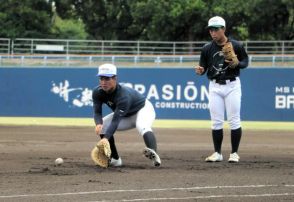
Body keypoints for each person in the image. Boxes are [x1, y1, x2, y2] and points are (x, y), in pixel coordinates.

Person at [195, 16, 249, 163]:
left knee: (234, 120)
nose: (213, 32)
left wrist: (238, 63)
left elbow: (245, 62)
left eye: (216, 29)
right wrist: (200, 70)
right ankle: (217, 153)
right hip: (214, 86)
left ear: (223, 29)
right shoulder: (207, 48)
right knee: (216, 121)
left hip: (232, 85)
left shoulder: (236, 45)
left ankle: (234, 153)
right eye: (211, 30)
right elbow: (203, 67)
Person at [92, 63, 161, 167]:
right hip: (126, 116)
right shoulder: (97, 92)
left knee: (142, 125)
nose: (103, 82)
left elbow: (115, 121)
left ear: (115, 78)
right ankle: (115, 159)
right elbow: (97, 112)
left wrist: (105, 138)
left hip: (143, 110)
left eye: (107, 79)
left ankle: (153, 153)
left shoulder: (123, 96)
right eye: (101, 78)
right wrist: (98, 124)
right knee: (103, 126)